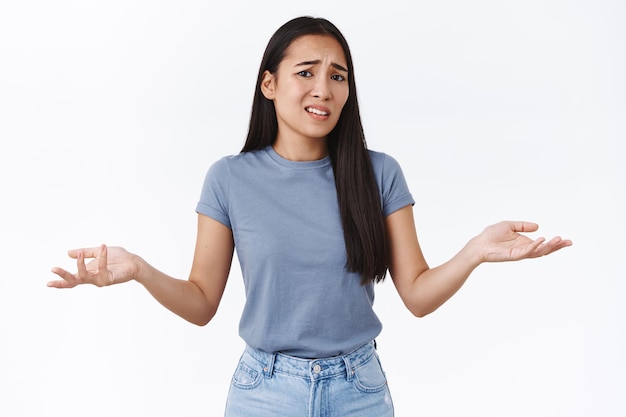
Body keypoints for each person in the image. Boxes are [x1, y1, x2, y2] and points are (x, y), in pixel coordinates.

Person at [48, 16, 572, 417]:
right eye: (307, 72)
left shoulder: (379, 173)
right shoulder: (229, 179)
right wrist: (139, 268)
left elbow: (416, 293)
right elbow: (202, 301)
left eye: (338, 76)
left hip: (359, 390)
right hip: (263, 392)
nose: (324, 88)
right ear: (269, 84)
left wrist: (476, 251)